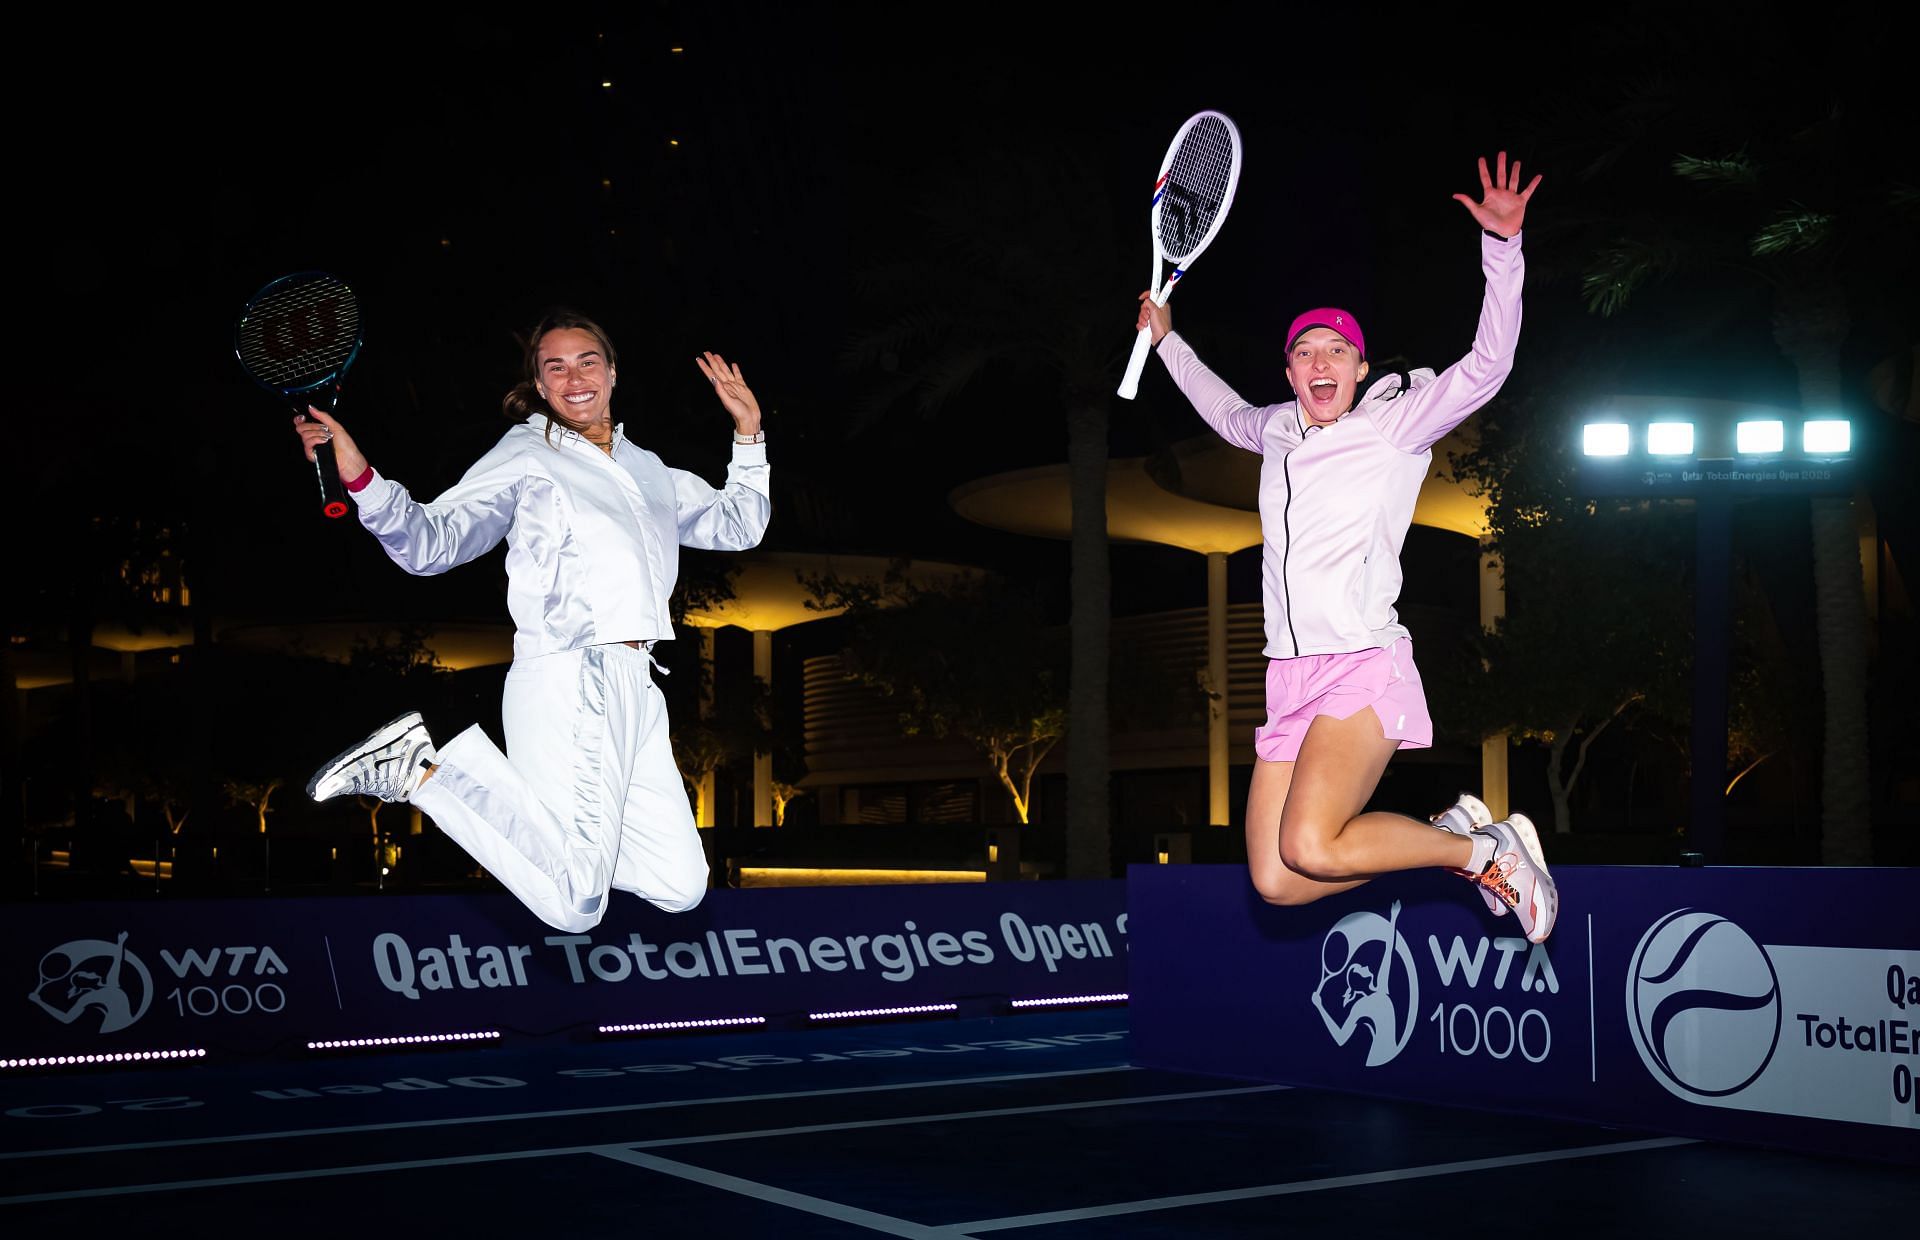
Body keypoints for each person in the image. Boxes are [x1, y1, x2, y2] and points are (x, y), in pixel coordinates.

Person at [1134, 152, 1557, 942]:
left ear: (1360, 370)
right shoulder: (1279, 432)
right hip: (1288, 676)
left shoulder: (1391, 427)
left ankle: (1481, 852)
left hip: (1361, 664)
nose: (1319, 362)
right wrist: (1166, 342)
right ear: (1290, 372)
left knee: (1310, 844)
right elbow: (1226, 413)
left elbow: (1489, 365)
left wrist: (1503, 249)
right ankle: (1455, 840)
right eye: (1304, 352)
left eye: (1336, 351)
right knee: (1279, 881)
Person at [295, 311, 770, 932]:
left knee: (681, 886)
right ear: (541, 387)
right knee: (576, 907)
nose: (574, 377)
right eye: (555, 367)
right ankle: (419, 770)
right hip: (571, 676)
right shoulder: (527, 454)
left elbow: (738, 524)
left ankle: (543, 840)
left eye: (587, 361)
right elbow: (429, 543)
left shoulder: (647, 468)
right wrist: (359, 475)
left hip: (638, 683)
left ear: (612, 372)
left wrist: (750, 431)